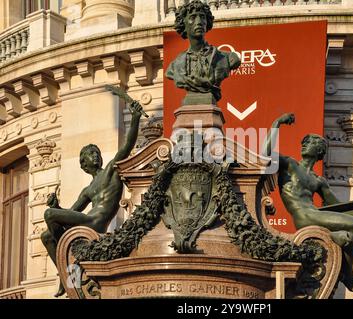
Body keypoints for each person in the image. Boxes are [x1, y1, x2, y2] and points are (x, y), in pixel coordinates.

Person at [263, 113, 353, 294]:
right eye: (304, 142)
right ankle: (347, 272)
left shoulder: (319, 181)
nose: (304, 144)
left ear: (319, 151)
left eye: (309, 142)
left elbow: (340, 208)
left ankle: (339, 238)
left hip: (316, 213)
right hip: (304, 216)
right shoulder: (289, 165)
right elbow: (265, 154)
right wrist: (276, 123)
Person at [41, 100, 143, 297]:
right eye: (89, 154)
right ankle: (66, 276)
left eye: (96, 153)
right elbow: (71, 212)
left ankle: (68, 269)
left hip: (96, 222)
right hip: (86, 221)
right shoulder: (88, 190)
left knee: (49, 215)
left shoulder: (111, 171)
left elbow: (127, 145)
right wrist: (57, 206)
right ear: (83, 163)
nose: (94, 156)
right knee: (46, 235)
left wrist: (136, 117)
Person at [166, 0, 240, 103]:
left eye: (202, 17)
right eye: (193, 17)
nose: (199, 22)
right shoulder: (175, 65)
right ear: (184, 24)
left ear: (207, 22)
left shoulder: (225, 58)